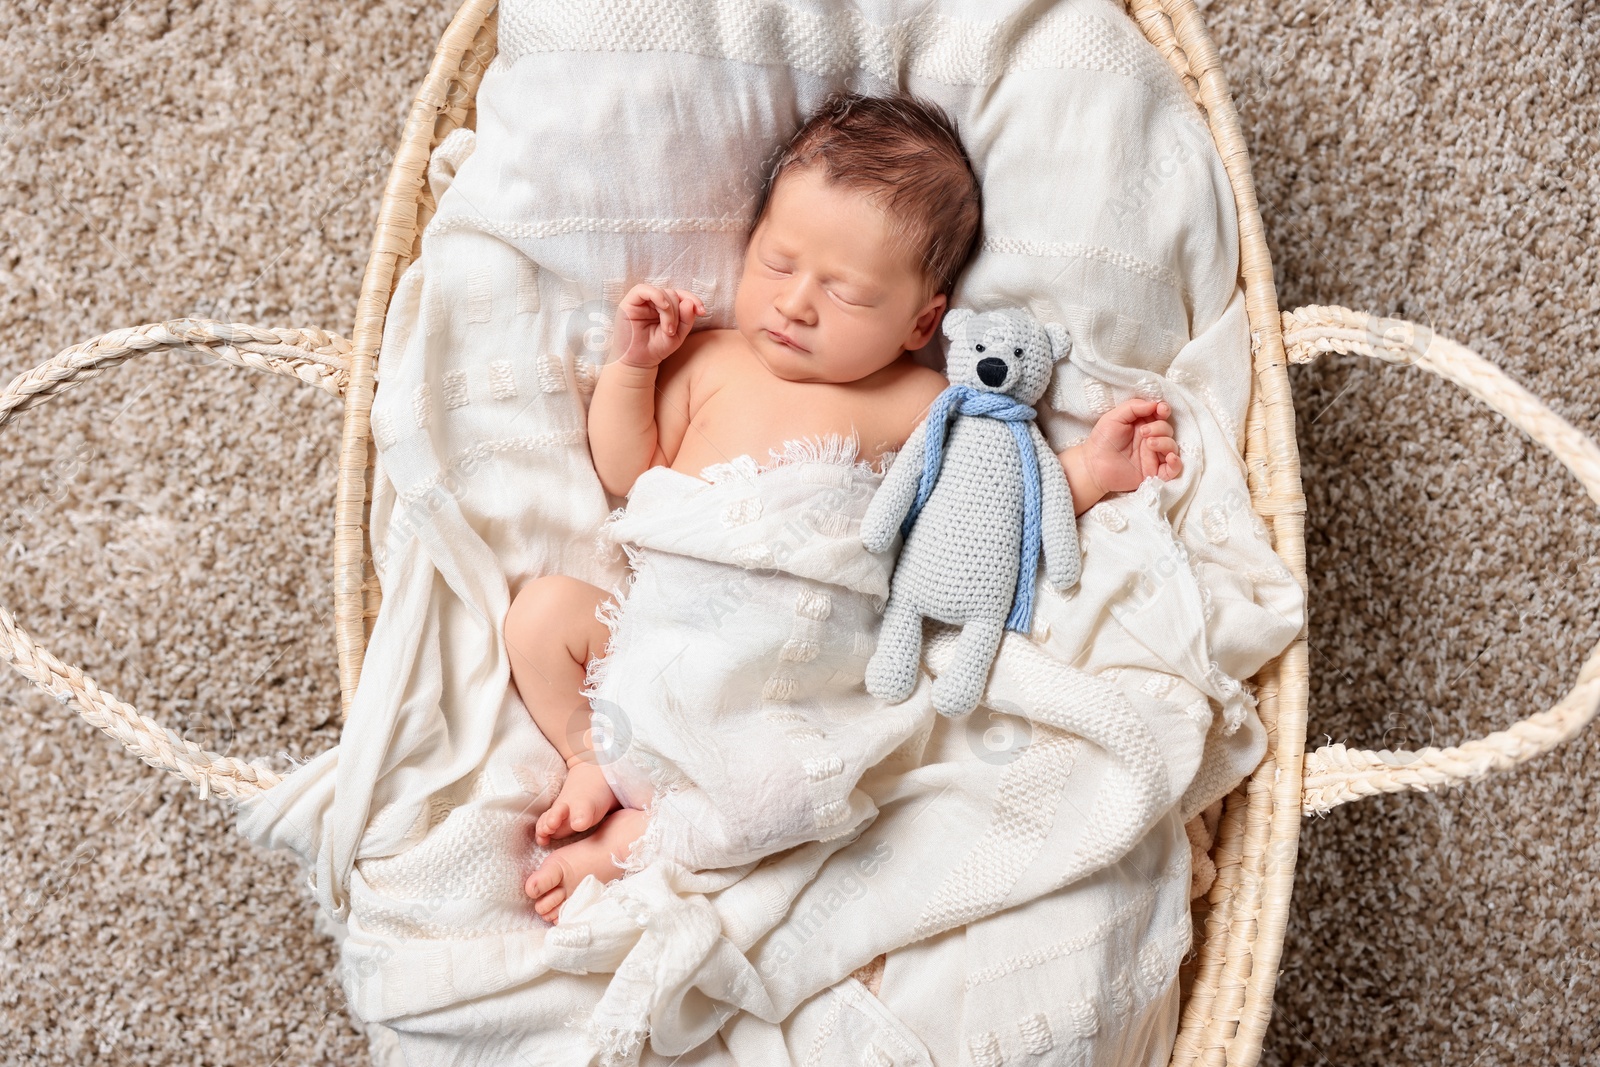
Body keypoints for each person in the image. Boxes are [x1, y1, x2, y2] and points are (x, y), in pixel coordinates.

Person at [503, 90, 1182, 920]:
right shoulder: (711, 360)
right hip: (652, 642)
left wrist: (1089, 467)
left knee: (796, 796)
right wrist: (633, 367)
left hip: (780, 685)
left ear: (919, 321)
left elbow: (987, 512)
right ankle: (588, 757)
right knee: (540, 616)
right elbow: (626, 465)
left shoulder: (923, 402)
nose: (794, 304)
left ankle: (640, 839)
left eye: (848, 293)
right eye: (777, 264)